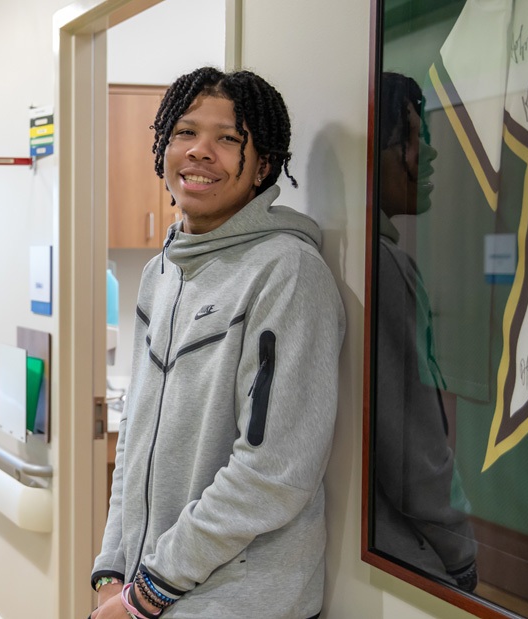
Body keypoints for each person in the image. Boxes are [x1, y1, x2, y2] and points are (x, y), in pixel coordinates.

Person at [90, 67, 344, 619]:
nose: (200, 151)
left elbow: (273, 472)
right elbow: (134, 434)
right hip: (150, 590)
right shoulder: (160, 273)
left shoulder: (287, 273)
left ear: (263, 167)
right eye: (185, 132)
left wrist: (149, 590)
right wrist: (114, 567)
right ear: (164, 147)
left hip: (236, 604)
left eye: (228, 139)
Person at [372, 71, 478, 593]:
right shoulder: (387, 267)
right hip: (407, 551)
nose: (427, 155)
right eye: (411, 139)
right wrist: (460, 554)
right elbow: (411, 441)